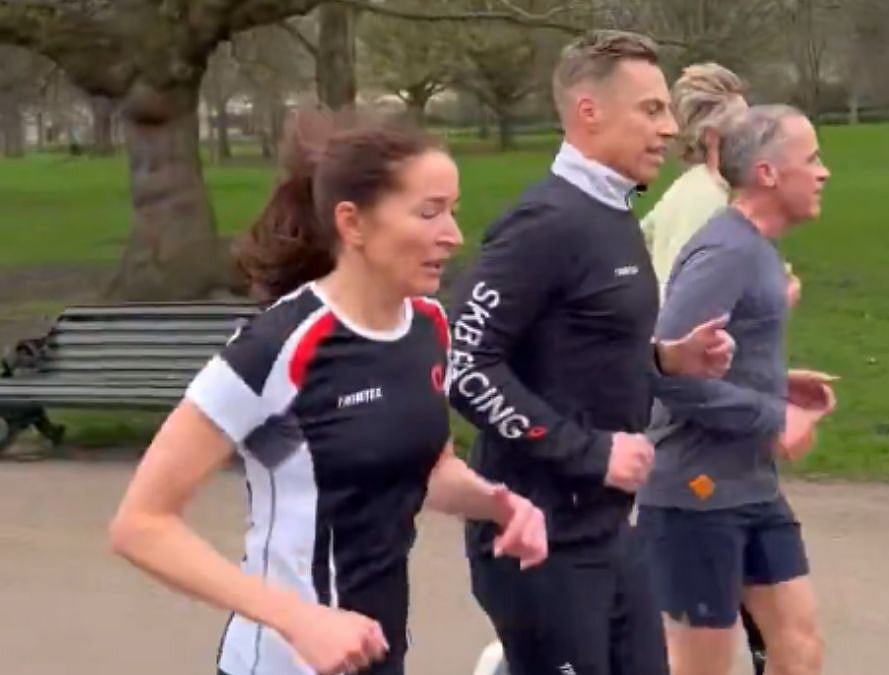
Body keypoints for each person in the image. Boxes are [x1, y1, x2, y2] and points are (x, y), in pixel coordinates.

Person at [107, 109, 549, 675]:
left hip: (377, 653)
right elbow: (141, 525)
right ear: (353, 223)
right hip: (283, 662)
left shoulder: (427, 327)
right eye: (429, 212)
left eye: (453, 212)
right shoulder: (280, 345)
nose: (453, 235)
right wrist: (300, 619)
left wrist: (498, 503)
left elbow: (424, 467)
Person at [446, 29, 734, 675]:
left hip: (608, 528)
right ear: (589, 112)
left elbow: (576, 346)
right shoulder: (545, 224)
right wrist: (591, 451)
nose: (670, 128)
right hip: (538, 535)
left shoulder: (612, 213)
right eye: (652, 109)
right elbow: (465, 363)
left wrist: (664, 359)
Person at [637, 104, 836, 675]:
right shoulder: (724, 251)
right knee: (701, 667)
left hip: (749, 487)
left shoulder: (757, 249)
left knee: (799, 652)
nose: (824, 172)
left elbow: (718, 355)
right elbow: (662, 372)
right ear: (769, 174)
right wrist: (773, 416)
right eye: (813, 159)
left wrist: (780, 383)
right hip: (694, 493)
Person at [638, 61, 777, 675]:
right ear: (715, 138)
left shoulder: (704, 199)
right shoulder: (703, 209)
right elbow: (682, 324)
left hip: (711, 426)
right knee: (706, 630)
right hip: (695, 436)